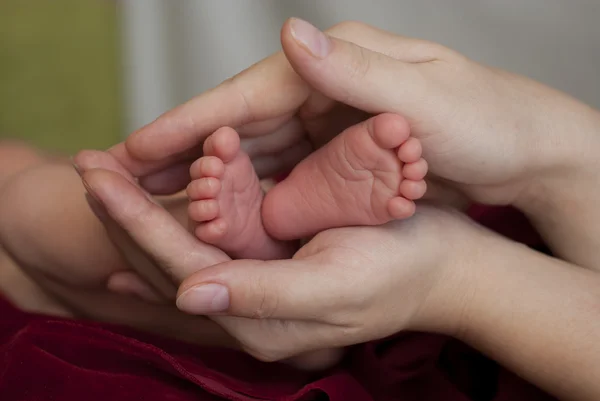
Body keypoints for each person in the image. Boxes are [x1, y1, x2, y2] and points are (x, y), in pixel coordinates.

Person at [76, 18, 600, 399]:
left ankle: (269, 238)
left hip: (502, 310)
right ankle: (281, 232)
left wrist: (458, 277)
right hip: (535, 284)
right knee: (57, 229)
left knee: (43, 215)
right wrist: (558, 164)